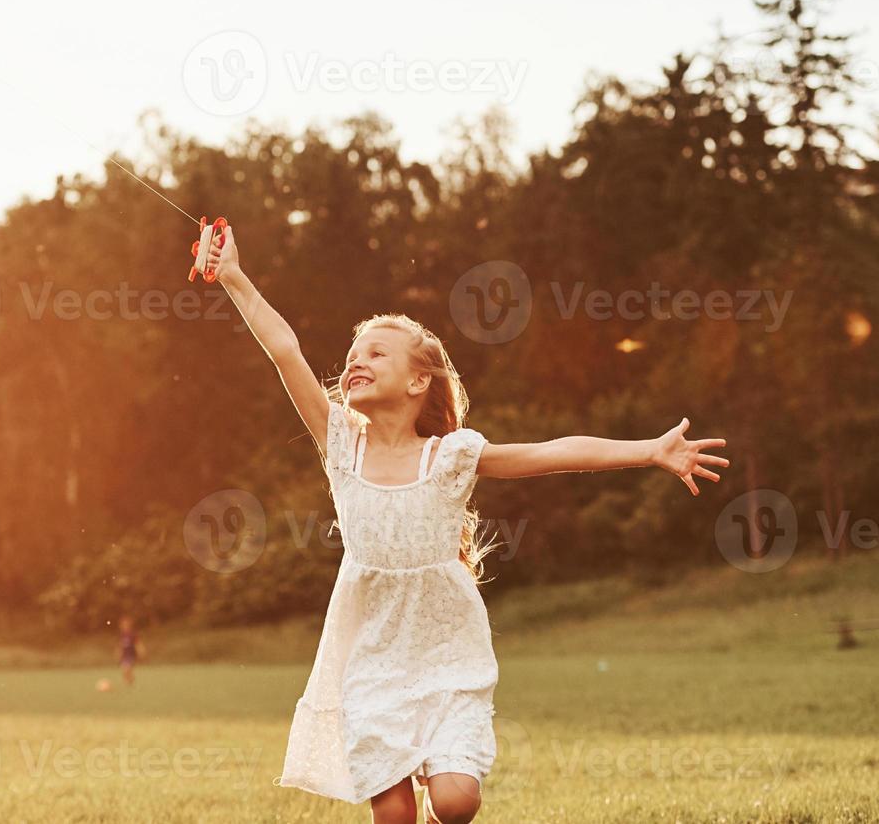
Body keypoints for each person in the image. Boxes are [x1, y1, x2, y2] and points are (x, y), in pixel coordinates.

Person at [204, 226, 728, 824]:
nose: (357, 362)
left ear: (418, 381)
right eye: (353, 356)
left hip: (445, 645)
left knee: (455, 800)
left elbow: (552, 452)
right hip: (370, 649)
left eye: (378, 353)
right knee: (395, 811)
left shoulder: (450, 456)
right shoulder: (340, 444)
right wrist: (234, 278)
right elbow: (284, 350)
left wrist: (647, 450)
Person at [117, 615, 143, 687]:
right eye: (123, 625)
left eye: (126, 625)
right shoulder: (122, 635)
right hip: (124, 655)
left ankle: (129, 683)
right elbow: (120, 646)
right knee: (125, 671)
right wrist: (118, 653)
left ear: (129, 625)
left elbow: (138, 644)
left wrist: (141, 651)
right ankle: (129, 682)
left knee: (127, 669)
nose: (124, 626)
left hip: (131, 655)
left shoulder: (133, 634)